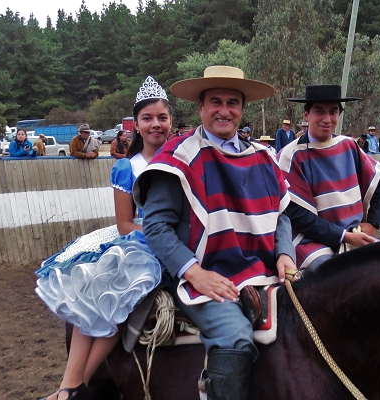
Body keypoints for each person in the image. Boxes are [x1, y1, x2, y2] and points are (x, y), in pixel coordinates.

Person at [135, 66, 296, 400]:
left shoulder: (264, 156)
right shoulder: (178, 158)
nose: (225, 110)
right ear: (200, 108)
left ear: (241, 108)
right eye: (216, 102)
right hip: (205, 274)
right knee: (233, 336)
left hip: (263, 270)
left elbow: (280, 215)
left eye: (233, 103)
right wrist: (195, 274)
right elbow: (156, 226)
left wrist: (285, 253)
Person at [36, 76, 172, 400]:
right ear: (136, 125)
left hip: (173, 242)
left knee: (116, 299)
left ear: (171, 122)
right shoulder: (128, 167)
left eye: (162, 118)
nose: (156, 124)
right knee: (99, 291)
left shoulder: (183, 163)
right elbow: (125, 224)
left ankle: (75, 385)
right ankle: (70, 384)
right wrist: (160, 234)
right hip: (140, 241)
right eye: (147, 118)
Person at [278, 84, 380, 271]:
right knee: (335, 276)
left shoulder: (348, 146)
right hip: (310, 241)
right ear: (307, 115)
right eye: (319, 111)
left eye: (333, 112)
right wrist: (343, 236)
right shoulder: (290, 155)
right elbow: (297, 215)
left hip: (354, 234)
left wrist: (373, 223)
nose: (327, 119)